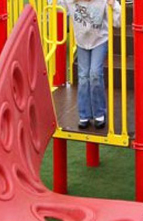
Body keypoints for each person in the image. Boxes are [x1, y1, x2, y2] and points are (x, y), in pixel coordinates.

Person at [59, 0, 121, 129]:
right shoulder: (71, 2)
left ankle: (99, 114)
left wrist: (114, 5)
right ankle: (84, 115)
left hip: (99, 40)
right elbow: (56, 8)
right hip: (82, 42)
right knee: (83, 77)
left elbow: (118, 22)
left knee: (95, 74)